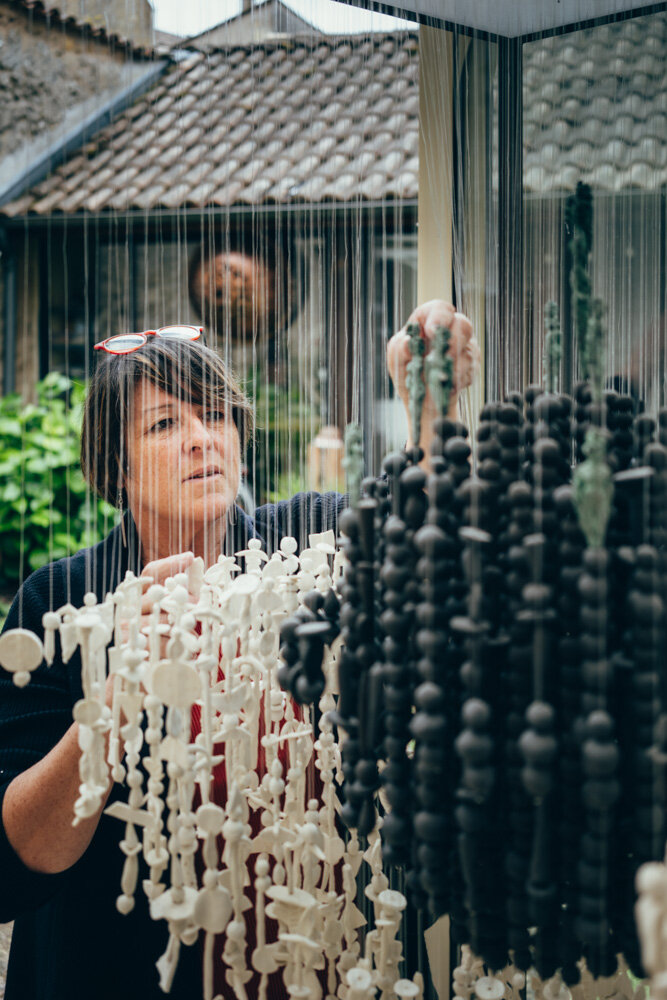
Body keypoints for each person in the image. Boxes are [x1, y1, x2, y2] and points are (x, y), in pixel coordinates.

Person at [0, 301, 475, 1000]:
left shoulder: (314, 537)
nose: (202, 439)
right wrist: (111, 704)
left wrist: (432, 414)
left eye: (215, 414)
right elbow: (21, 860)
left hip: (329, 962)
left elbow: (444, 565)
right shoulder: (61, 602)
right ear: (115, 468)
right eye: (165, 424)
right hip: (130, 972)